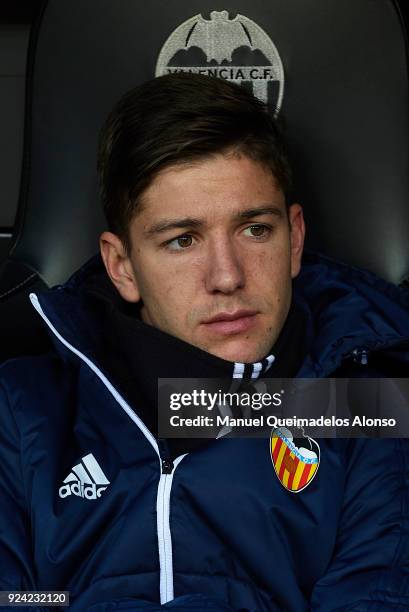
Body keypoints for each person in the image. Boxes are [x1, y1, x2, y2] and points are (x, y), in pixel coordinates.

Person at [0, 73, 408, 612]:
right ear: (122, 266)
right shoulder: (23, 408)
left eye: (254, 229)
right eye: (183, 240)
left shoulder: (371, 415)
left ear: (295, 240)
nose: (227, 276)